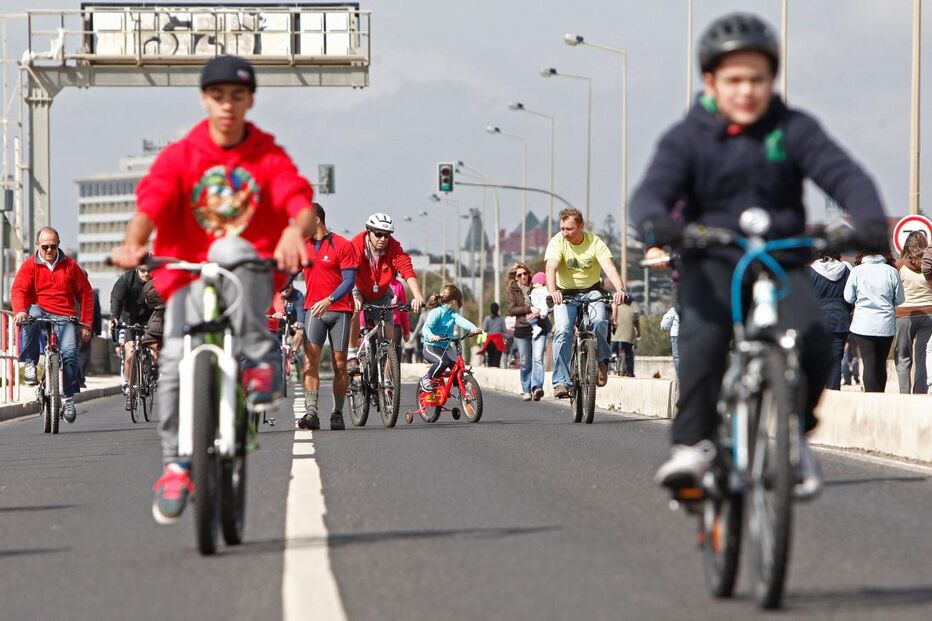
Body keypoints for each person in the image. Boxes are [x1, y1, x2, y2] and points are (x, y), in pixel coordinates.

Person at [631, 13, 889, 497]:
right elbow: (652, 192)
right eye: (734, 80)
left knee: (813, 340)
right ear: (711, 82)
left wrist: (871, 221)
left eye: (757, 78)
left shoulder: (793, 129)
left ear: (772, 79)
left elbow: (846, 176)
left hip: (781, 258)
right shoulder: (688, 137)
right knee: (703, 341)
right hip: (713, 260)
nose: (746, 90)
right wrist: (656, 224)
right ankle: (692, 447)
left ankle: (793, 436)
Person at [109, 55, 316, 524]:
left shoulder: (265, 154)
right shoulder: (182, 155)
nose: (227, 105)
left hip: (248, 270)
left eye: (237, 97)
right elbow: (151, 204)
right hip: (187, 274)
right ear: (204, 99)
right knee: (174, 363)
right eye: (218, 96)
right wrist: (135, 242)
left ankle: (259, 359)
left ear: (249, 102)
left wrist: (292, 231)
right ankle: (176, 467)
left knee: (232, 252)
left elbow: (299, 202)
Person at [11, 227, 94, 423]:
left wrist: (86, 325)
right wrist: (20, 310)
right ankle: (30, 363)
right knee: (30, 316)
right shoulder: (29, 266)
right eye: (45, 246)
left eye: (53, 246)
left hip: (64, 315)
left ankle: (68, 399)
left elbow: (86, 294)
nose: (49, 250)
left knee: (70, 354)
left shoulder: (70, 266)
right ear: (37, 245)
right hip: (39, 310)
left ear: (58, 245)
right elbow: (18, 290)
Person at [546, 208, 626, 398]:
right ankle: (560, 382)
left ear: (581, 226)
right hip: (564, 294)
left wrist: (620, 289)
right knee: (563, 331)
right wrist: (553, 291)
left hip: (592, 291)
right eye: (562, 229)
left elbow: (609, 267)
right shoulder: (558, 242)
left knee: (599, 321)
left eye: (569, 229)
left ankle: (600, 361)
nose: (565, 233)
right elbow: (551, 268)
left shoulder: (594, 242)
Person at [298, 203, 357, 431]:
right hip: (313, 311)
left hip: (339, 311)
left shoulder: (342, 245)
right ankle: (311, 412)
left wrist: (329, 300)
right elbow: (288, 274)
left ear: (316, 220)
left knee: (340, 365)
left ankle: (337, 413)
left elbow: (349, 281)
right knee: (309, 362)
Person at [347, 213, 425, 372]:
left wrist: (417, 296)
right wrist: (353, 295)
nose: (383, 239)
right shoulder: (356, 244)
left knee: (389, 338)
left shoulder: (393, 247)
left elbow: (406, 269)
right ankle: (352, 354)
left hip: (381, 292)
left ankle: (387, 380)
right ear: (369, 231)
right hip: (358, 287)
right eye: (378, 234)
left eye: (387, 235)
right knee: (355, 309)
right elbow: (348, 270)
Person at [844, 253, 904, 392]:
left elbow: (848, 297)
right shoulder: (891, 271)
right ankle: (880, 396)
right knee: (881, 363)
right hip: (885, 324)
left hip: (863, 323)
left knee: (869, 363)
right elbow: (900, 299)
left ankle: (870, 397)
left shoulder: (857, 271)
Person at [419, 285, 482, 403]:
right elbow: (425, 328)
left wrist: (473, 328)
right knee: (443, 362)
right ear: (453, 301)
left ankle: (462, 392)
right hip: (431, 346)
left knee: (457, 366)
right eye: (459, 300)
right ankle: (426, 379)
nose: (460, 304)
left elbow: (462, 321)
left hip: (445, 347)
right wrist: (431, 336)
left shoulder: (452, 314)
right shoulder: (436, 312)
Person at [808, 249, 853, 390]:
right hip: (840, 319)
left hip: (817, 320)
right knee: (835, 360)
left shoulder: (811, 271)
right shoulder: (845, 270)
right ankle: (834, 393)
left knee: (816, 360)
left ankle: (818, 395)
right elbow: (851, 297)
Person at [893, 231, 932, 393]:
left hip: (904, 315)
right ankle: (920, 392)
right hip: (929, 314)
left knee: (903, 356)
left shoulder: (899, 265)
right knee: (922, 355)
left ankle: (904, 393)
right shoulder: (929, 265)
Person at [111, 262, 154, 394]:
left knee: (156, 348)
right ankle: (130, 386)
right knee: (130, 356)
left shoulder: (157, 279)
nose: (146, 273)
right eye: (143, 270)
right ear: (136, 268)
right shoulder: (126, 280)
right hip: (131, 319)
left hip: (151, 318)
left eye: (149, 270)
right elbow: (116, 298)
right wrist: (115, 317)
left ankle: (152, 370)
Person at [506, 262, 547, 401]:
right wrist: (529, 310)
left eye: (525, 274)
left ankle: (537, 387)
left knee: (538, 358)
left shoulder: (537, 285)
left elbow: (547, 301)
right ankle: (526, 389)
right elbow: (511, 309)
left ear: (529, 274)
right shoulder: (513, 290)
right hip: (522, 328)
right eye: (520, 275)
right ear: (516, 277)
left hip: (539, 326)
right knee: (524, 362)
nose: (523, 277)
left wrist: (539, 312)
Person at [610, 294, 640, 377]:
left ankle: (610, 363)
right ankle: (630, 372)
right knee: (629, 353)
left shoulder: (615, 308)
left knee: (613, 351)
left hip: (615, 336)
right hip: (628, 337)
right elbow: (637, 324)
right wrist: (639, 333)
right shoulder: (633, 310)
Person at [477, 302, 506, 367]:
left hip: (490, 341)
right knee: (497, 358)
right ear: (498, 310)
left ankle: (491, 368)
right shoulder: (501, 319)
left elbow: (484, 329)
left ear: (490, 310)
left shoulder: (487, 318)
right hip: (498, 341)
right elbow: (504, 330)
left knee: (490, 357)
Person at [660, 306, 680, 375]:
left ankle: (681, 376)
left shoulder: (674, 309)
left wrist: (663, 328)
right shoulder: (696, 307)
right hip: (692, 335)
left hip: (676, 335)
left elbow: (665, 324)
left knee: (677, 357)